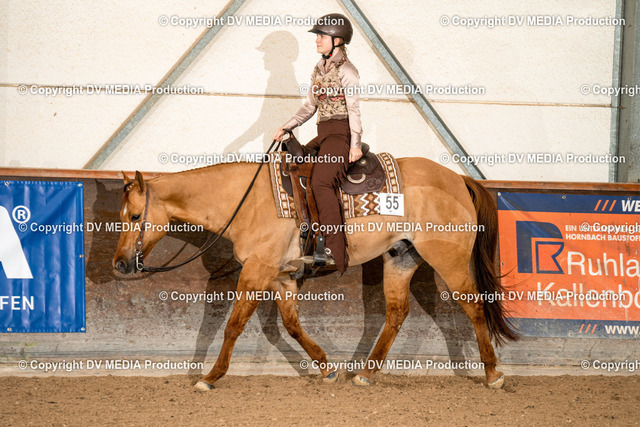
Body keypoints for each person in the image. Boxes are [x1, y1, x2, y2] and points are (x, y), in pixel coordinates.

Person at [273, 13, 362, 274]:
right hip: (323, 133)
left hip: (340, 134)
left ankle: (334, 251)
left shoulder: (347, 70)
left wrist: (355, 144)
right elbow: (310, 107)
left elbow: (354, 109)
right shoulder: (319, 69)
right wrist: (287, 126)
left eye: (322, 36)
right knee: (295, 163)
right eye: (318, 36)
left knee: (321, 183)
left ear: (337, 40)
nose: (317, 40)